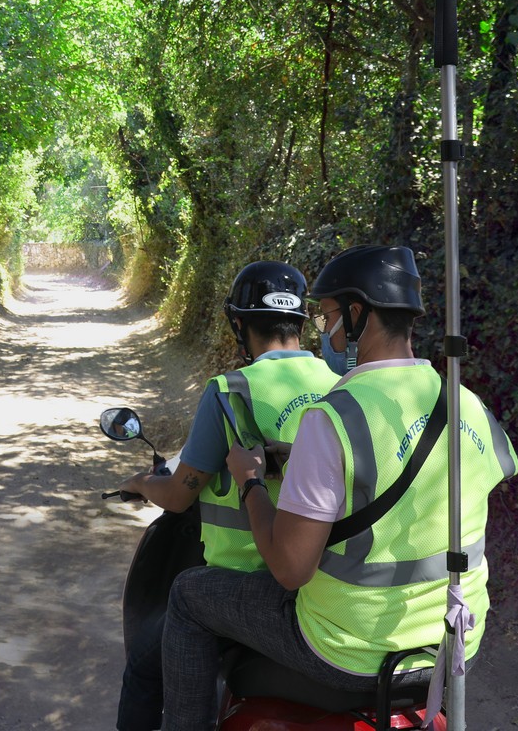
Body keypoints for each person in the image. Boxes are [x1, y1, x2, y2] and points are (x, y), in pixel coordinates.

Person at [159, 245, 518, 730]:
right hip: (453, 642)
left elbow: (289, 569)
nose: (325, 331)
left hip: (346, 648)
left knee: (187, 595)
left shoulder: (335, 418)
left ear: (355, 315)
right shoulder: (466, 404)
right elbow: (478, 469)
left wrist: (250, 482)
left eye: (328, 316)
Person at [113, 260, 342, 731]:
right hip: (323, 582)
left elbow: (178, 495)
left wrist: (140, 483)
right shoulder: (341, 385)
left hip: (245, 580)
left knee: (144, 662)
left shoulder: (230, 392)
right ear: (301, 322)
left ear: (239, 324)